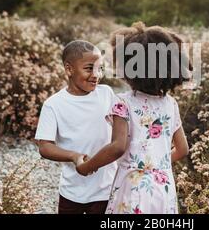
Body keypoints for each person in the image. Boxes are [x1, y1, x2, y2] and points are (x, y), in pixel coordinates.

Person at [76, 22, 190, 214]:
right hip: (164, 188)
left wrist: (86, 166)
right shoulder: (170, 104)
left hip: (133, 188)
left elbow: (117, 147)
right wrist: (155, 167)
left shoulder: (123, 103)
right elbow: (183, 149)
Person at [35, 40, 119, 214]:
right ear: (69, 69)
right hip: (72, 191)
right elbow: (45, 146)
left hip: (106, 189)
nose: (96, 75)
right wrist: (74, 156)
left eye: (99, 68)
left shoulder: (107, 94)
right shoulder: (54, 104)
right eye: (89, 68)